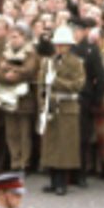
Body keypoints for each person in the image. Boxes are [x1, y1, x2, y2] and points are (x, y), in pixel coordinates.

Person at [39, 26, 85, 196]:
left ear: (69, 45)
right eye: (57, 44)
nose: (59, 48)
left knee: (65, 147)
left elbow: (78, 84)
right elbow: (41, 84)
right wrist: (42, 103)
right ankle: (52, 180)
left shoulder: (76, 63)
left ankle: (62, 183)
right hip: (51, 106)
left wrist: (56, 81)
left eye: (63, 44)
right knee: (50, 145)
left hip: (67, 106)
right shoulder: (48, 61)